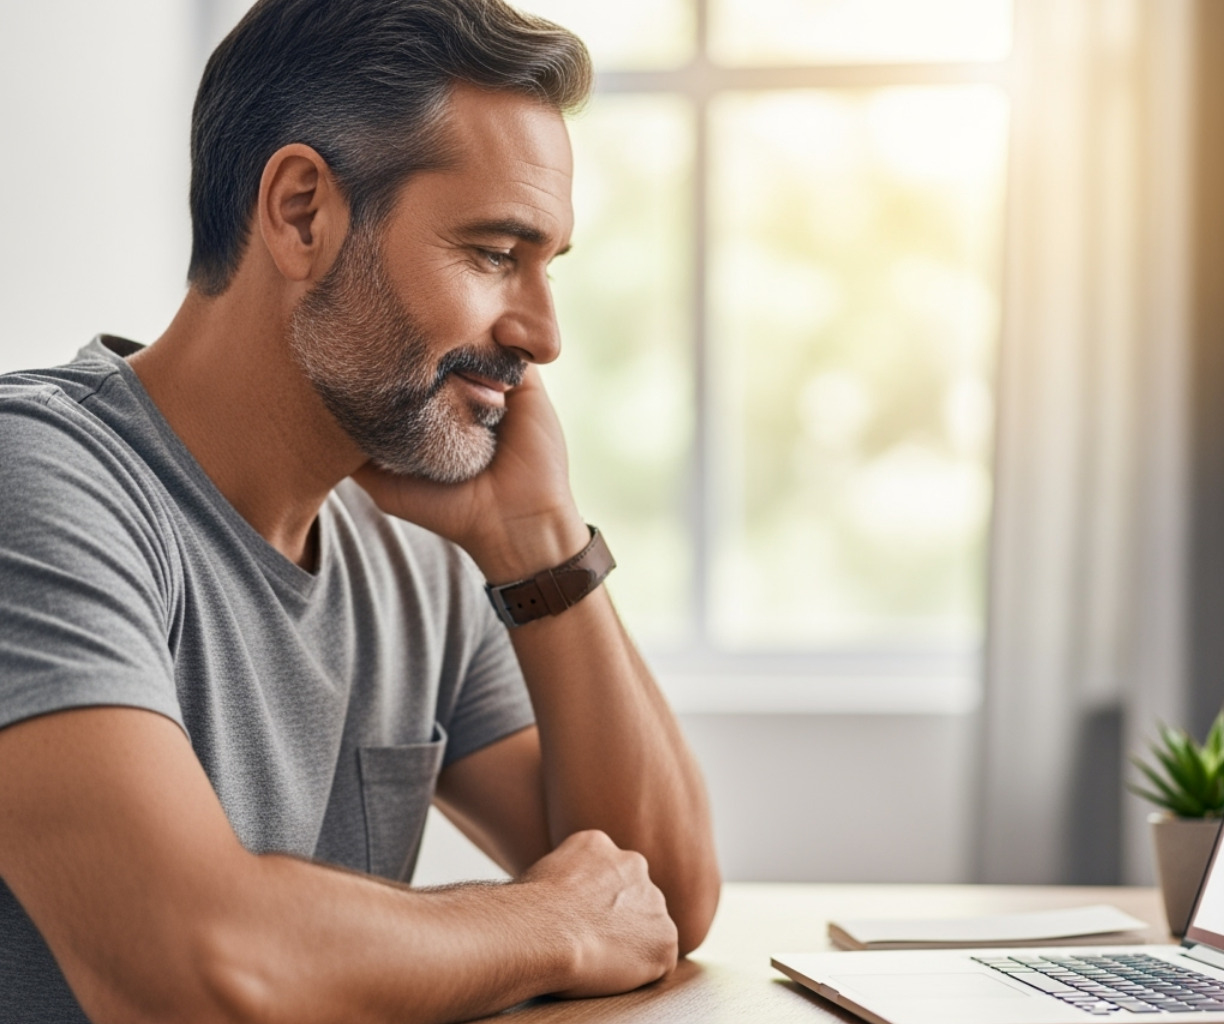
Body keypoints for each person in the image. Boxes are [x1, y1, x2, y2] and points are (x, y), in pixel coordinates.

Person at [0, 1, 720, 1021]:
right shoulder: (37, 482)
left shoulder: (416, 544)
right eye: (492, 253)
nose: (544, 333)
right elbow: (190, 962)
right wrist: (548, 922)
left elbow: (657, 899)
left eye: (548, 265)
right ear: (301, 212)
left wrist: (541, 545)